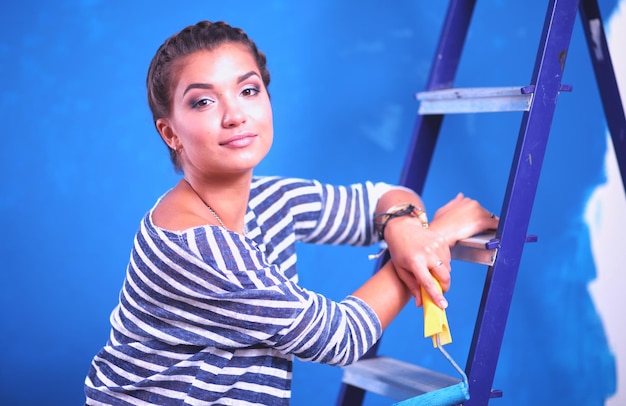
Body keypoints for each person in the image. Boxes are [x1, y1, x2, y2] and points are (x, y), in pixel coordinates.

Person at [84, 20, 498, 405]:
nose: (235, 116)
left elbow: (382, 198)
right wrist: (438, 236)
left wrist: (407, 228)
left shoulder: (268, 198)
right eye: (204, 101)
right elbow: (340, 338)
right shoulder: (197, 245)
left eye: (248, 91)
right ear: (170, 132)